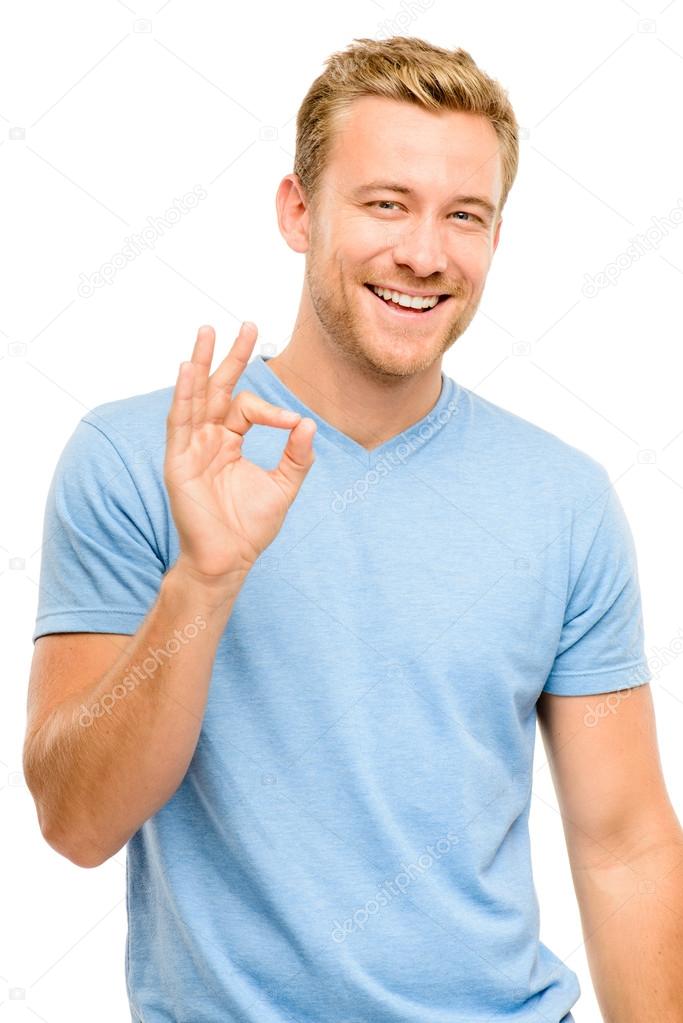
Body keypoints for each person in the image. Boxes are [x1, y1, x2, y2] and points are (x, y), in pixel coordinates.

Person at [24, 34, 682, 1023]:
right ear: (298, 211)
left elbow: (624, 843)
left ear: (494, 239)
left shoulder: (563, 502)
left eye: (462, 215)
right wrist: (203, 580)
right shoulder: (139, 460)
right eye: (385, 204)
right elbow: (76, 823)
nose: (422, 253)